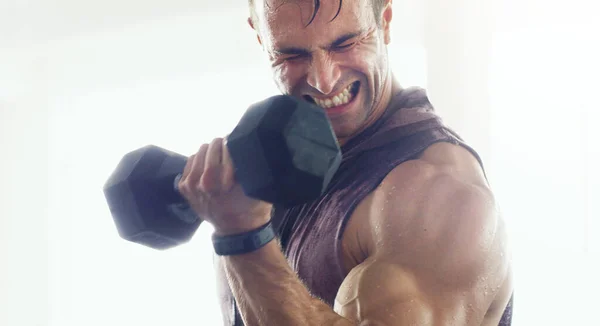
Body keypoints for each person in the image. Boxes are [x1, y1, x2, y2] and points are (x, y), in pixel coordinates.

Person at [177, 0, 513, 325]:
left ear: (385, 21)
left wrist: (243, 237)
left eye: (345, 43)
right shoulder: (277, 163)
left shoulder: (439, 193)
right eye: (291, 54)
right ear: (261, 38)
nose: (323, 80)